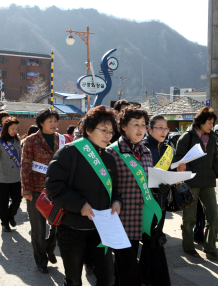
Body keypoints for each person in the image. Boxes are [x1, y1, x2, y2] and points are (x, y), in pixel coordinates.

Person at [46, 105, 122, 286]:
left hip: (100, 230)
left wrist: (117, 201)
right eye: (103, 130)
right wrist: (80, 205)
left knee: (108, 278)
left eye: (111, 132)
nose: (108, 135)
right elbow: (53, 186)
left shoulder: (109, 157)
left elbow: (115, 189)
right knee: (73, 280)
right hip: (72, 229)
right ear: (88, 130)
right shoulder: (69, 152)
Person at [105, 106, 152, 286]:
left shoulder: (146, 153)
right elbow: (107, 187)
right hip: (120, 219)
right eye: (135, 124)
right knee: (129, 268)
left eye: (143, 124)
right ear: (123, 126)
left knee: (124, 267)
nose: (140, 129)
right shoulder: (112, 152)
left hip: (141, 219)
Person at [140, 115, 186, 286]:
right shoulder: (142, 148)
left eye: (166, 128)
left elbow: (170, 173)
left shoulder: (168, 149)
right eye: (159, 127)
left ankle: (143, 274)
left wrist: (179, 171)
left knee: (151, 239)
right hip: (146, 202)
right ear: (149, 129)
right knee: (154, 239)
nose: (164, 131)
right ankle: (160, 280)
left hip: (162, 200)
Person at [174, 106, 218, 261]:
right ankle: (188, 246)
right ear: (200, 122)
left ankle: (210, 248)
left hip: (208, 182)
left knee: (213, 216)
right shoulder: (187, 137)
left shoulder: (213, 137)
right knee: (190, 218)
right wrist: (189, 171)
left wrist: (215, 171)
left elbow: (214, 157)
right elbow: (178, 158)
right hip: (191, 182)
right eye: (209, 122)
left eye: (213, 123)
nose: (211, 126)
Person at [21, 108, 64, 274]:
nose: (54, 124)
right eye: (50, 121)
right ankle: (41, 260)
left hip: (58, 190)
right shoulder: (31, 141)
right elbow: (25, 166)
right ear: (41, 123)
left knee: (56, 225)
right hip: (37, 189)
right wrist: (26, 189)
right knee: (38, 228)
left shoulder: (61, 140)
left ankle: (50, 247)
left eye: (55, 121)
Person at [0, 117, 23, 232]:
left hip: (16, 176)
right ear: (6, 128)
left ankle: (10, 215)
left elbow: (20, 158)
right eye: (12, 128)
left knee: (17, 199)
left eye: (16, 129)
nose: (15, 131)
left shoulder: (18, 140)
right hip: (2, 175)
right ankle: (5, 222)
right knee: (3, 201)